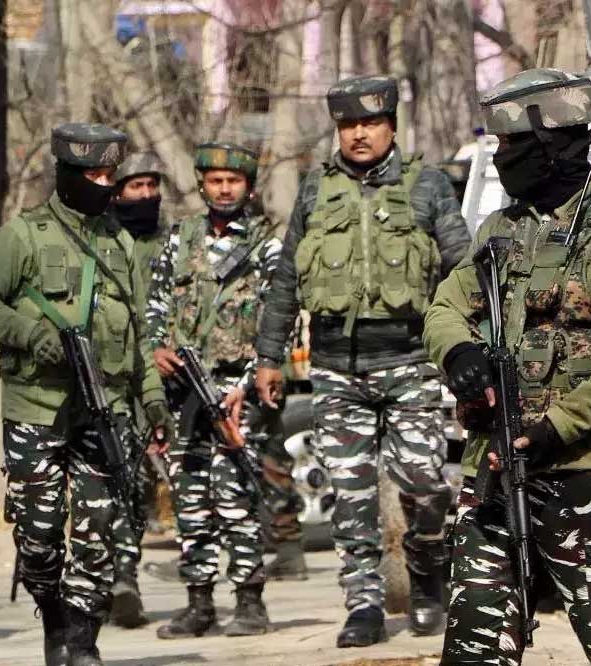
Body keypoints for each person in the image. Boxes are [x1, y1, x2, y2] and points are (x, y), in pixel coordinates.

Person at [426, 68, 591, 665]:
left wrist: (554, 429)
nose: (501, 156)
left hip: (580, 477)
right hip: (493, 473)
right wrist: (459, 353)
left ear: (555, 144)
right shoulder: (501, 231)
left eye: (512, 143)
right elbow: (446, 307)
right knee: (474, 651)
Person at [254, 75, 470, 646]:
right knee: (350, 497)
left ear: (391, 126)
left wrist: (467, 346)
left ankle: (427, 578)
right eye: (348, 124)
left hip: (410, 361)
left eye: (370, 122)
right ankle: (364, 606)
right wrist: (269, 357)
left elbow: (462, 269)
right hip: (335, 367)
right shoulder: (314, 190)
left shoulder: (427, 186)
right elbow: (286, 279)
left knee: (424, 484)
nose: (359, 134)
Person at [0, 123, 174, 666]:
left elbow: (140, 336)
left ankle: (82, 641)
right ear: (66, 174)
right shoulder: (23, 236)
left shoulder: (121, 244)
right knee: (38, 535)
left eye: (111, 176)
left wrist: (153, 400)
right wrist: (30, 334)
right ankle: (54, 616)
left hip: (105, 408)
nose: (104, 185)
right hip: (36, 407)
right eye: (93, 176)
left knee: (99, 530)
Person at [148, 142, 282, 639]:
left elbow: (277, 322)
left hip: (234, 390)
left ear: (248, 187)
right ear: (202, 185)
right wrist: (156, 350)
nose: (224, 189)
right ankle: (198, 602)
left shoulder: (266, 246)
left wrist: (247, 383)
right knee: (189, 498)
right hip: (183, 390)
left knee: (236, 496)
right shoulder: (179, 240)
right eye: (215, 181)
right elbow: (155, 306)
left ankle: (250, 599)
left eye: (234, 181)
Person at [107, 151, 170, 629]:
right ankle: (121, 578)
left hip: (168, 380)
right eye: (136, 186)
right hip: (115, 381)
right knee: (119, 482)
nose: (146, 195)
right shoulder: (104, 242)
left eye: (152, 186)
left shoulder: (173, 244)